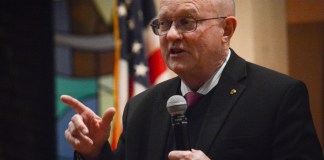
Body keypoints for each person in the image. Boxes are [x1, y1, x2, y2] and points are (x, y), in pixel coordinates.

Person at [62, 0, 324, 159]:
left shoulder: (278, 97)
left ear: (227, 29)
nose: (172, 35)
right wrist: (95, 153)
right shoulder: (141, 107)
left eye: (187, 22)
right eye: (164, 24)